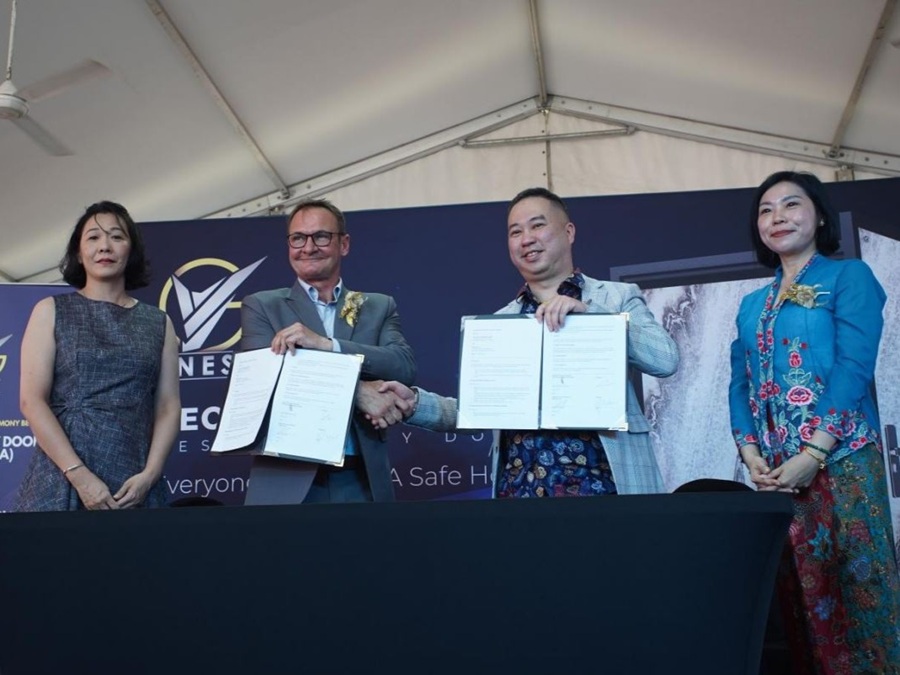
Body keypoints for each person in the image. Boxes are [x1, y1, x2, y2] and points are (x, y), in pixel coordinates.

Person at [371, 187, 678, 497]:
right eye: (515, 231)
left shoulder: (614, 298)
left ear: (568, 232)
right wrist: (415, 403)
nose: (526, 238)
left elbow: (664, 360)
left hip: (605, 489)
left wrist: (593, 314)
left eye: (537, 225)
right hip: (519, 494)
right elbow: (478, 410)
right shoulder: (502, 320)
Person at [729, 171, 900, 673]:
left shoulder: (849, 278)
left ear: (819, 215)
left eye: (790, 204)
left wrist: (816, 452)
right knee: (805, 597)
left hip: (843, 462)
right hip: (781, 475)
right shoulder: (750, 304)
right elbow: (738, 384)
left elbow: (854, 367)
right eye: (765, 209)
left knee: (862, 592)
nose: (777, 216)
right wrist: (751, 454)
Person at [240, 198, 416, 503]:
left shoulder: (377, 305)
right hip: (287, 473)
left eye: (321, 236)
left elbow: (403, 366)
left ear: (343, 244)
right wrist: (361, 391)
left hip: (361, 475)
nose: (308, 247)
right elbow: (270, 382)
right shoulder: (261, 306)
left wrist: (328, 346)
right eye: (298, 238)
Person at [15, 201, 181, 511]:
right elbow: (31, 401)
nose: (104, 245)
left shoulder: (159, 322)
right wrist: (79, 476)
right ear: (78, 252)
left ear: (131, 250)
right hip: (62, 476)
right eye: (93, 237)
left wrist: (150, 474)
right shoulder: (51, 311)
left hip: (135, 481)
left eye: (117, 236)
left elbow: (169, 406)